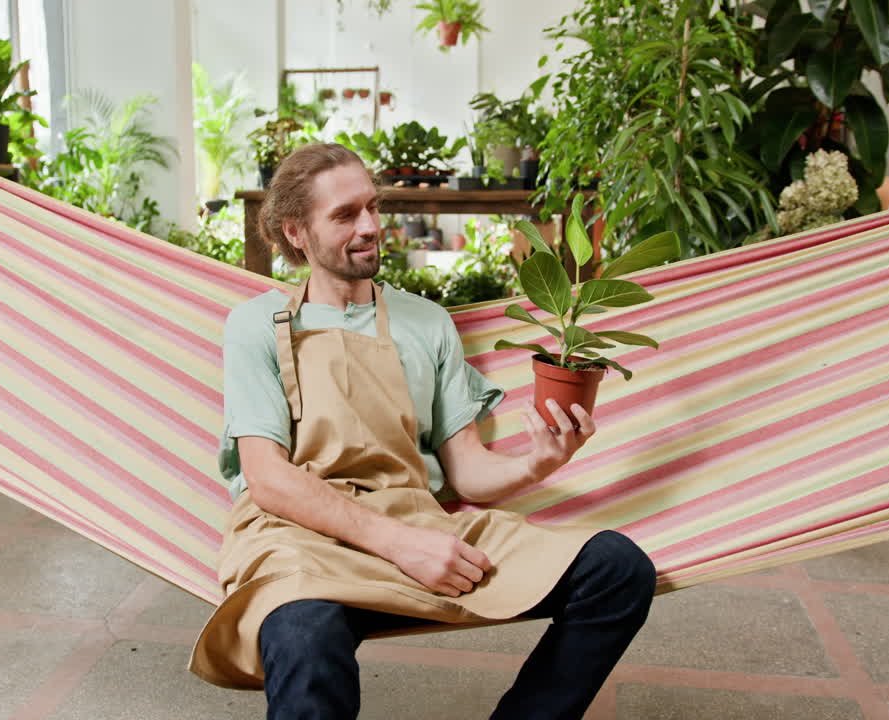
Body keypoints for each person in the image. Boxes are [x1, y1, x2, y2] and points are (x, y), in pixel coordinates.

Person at [189, 143, 655, 719]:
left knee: (617, 569)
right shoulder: (257, 325)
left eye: (371, 207)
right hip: (297, 537)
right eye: (344, 215)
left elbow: (468, 470)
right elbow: (268, 479)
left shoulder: (426, 322)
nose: (370, 227)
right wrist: (399, 545)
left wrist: (540, 461)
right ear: (296, 232)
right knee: (304, 633)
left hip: (417, 520)